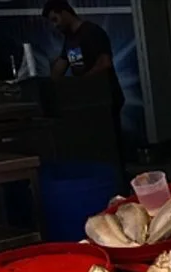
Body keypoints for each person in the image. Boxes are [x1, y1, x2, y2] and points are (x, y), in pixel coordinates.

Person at [43, 0, 125, 160]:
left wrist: (81, 83)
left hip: (105, 97)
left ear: (65, 13)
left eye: (55, 20)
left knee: (110, 145)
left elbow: (104, 62)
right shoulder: (69, 39)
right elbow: (61, 64)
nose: (55, 26)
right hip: (86, 102)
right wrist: (49, 84)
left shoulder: (92, 32)